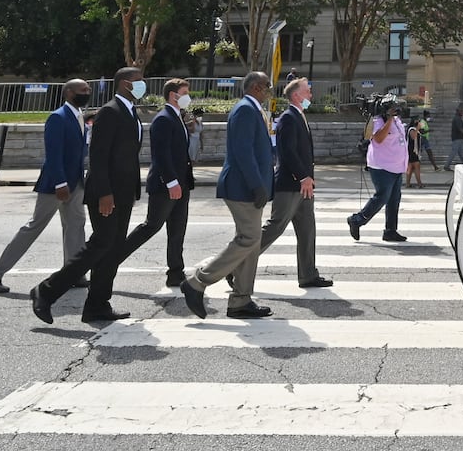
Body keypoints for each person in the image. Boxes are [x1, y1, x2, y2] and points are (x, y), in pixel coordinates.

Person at [30, 67, 146, 325]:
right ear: (126, 83)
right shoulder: (110, 111)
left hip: (124, 193)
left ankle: (97, 305)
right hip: (106, 193)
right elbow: (98, 155)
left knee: (112, 249)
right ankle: (46, 291)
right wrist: (105, 192)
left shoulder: (130, 112)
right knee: (100, 245)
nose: (143, 85)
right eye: (139, 81)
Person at [0, 78, 91, 294]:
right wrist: (60, 182)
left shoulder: (79, 118)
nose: (87, 93)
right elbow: (53, 154)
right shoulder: (58, 118)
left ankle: (74, 272)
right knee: (34, 227)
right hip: (57, 185)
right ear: (69, 93)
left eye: (88, 89)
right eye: (82, 90)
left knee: (76, 227)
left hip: (76, 182)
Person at [180, 72, 276, 320]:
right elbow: (243, 152)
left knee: (251, 242)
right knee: (248, 238)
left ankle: (241, 300)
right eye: (267, 86)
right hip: (242, 186)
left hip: (248, 186)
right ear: (256, 87)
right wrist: (257, 184)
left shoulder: (252, 108)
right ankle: (197, 282)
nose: (270, 89)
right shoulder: (245, 109)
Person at [252, 77, 332, 288]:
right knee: (275, 228)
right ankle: (236, 266)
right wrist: (302, 177)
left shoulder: (299, 116)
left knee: (307, 230)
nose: (311, 95)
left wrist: (307, 179)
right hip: (290, 185)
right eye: (308, 92)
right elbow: (286, 153)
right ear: (296, 95)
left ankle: (308, 275)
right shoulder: (288, 118)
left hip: (304, 186)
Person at [116, 78, 196, 287]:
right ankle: (111, 261)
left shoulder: (178, 117)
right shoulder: (163, 119)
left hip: (182, 183)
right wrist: (171, 182)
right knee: (151, 226)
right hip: (166, 186)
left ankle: (176, 272)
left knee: (178, 230)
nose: (188, 96)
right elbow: (161, 155)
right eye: (185, 92)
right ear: (173, 95)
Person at [346, 102, 409, 242]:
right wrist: (390, 119)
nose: (396, 110)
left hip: (396, 166)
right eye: (392, 108)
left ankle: (390, 231)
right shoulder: (378, 121)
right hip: (382, 166)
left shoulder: (397, 120)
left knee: (394, 199)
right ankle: (356, 220)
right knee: (382, 197)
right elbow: (379, 139)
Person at [405, 116, 424, 188]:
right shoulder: (412, 129)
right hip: (412, 151)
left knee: (410, 167)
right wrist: (418, 128)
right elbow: (413, 137)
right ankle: (419, 184)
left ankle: (408, 183)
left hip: (413, 150)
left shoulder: (415, 129)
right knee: (416, 166)